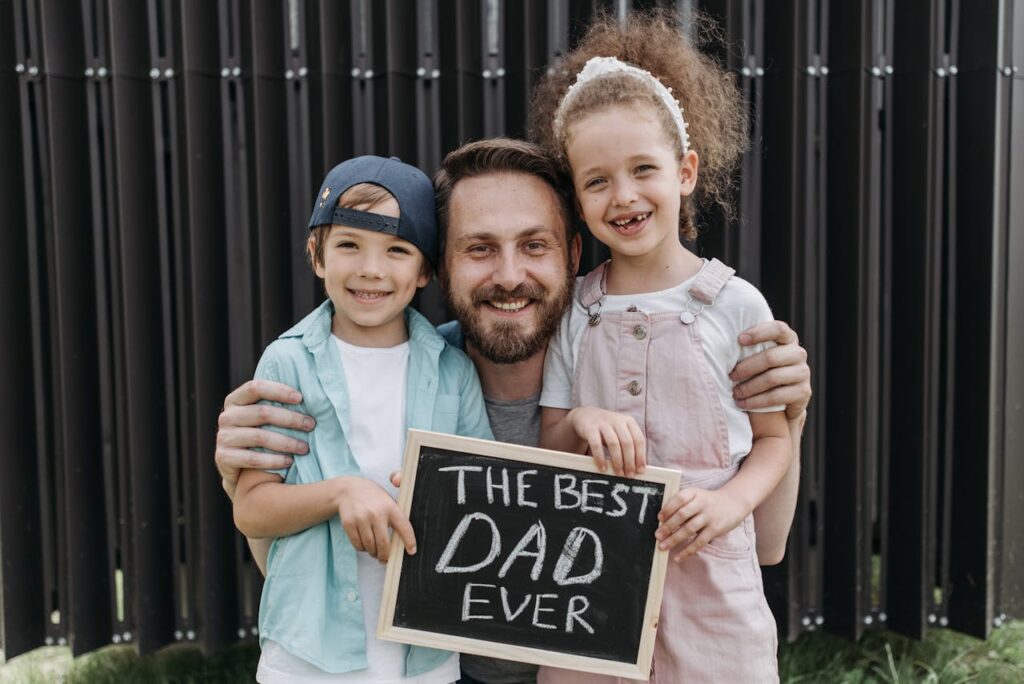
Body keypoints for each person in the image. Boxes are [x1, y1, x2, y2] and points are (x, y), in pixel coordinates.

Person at [216, 141, 812, 684]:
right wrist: (239, 478)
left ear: (573, 254)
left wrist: (788, 421)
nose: (508, 276)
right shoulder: (410, 372)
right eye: (479, 249)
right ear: (440, 266)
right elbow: (293, 565)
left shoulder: (636, 371)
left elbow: (766, 547)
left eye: (534, 246)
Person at [530, 11, 788, 683]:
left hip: (710, 583)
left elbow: (774, 441)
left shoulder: (735, 305)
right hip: (592, 577)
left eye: (643, 168)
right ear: (577, 197)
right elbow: (551, 435)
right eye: (597, 180)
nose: (624, 195)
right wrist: (584, 422)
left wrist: (732, 503)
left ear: (686, 171)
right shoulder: (575, 312)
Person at [231, 155, 492, 683]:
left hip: (423, 655)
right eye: (349, 245)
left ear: (424, 271)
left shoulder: (452, 372)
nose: (372, 269)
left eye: (397, 251)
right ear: (318, 255)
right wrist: (341, 492)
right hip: (309, 654)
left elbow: (482, 498)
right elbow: (252, 510)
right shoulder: (287, 363)